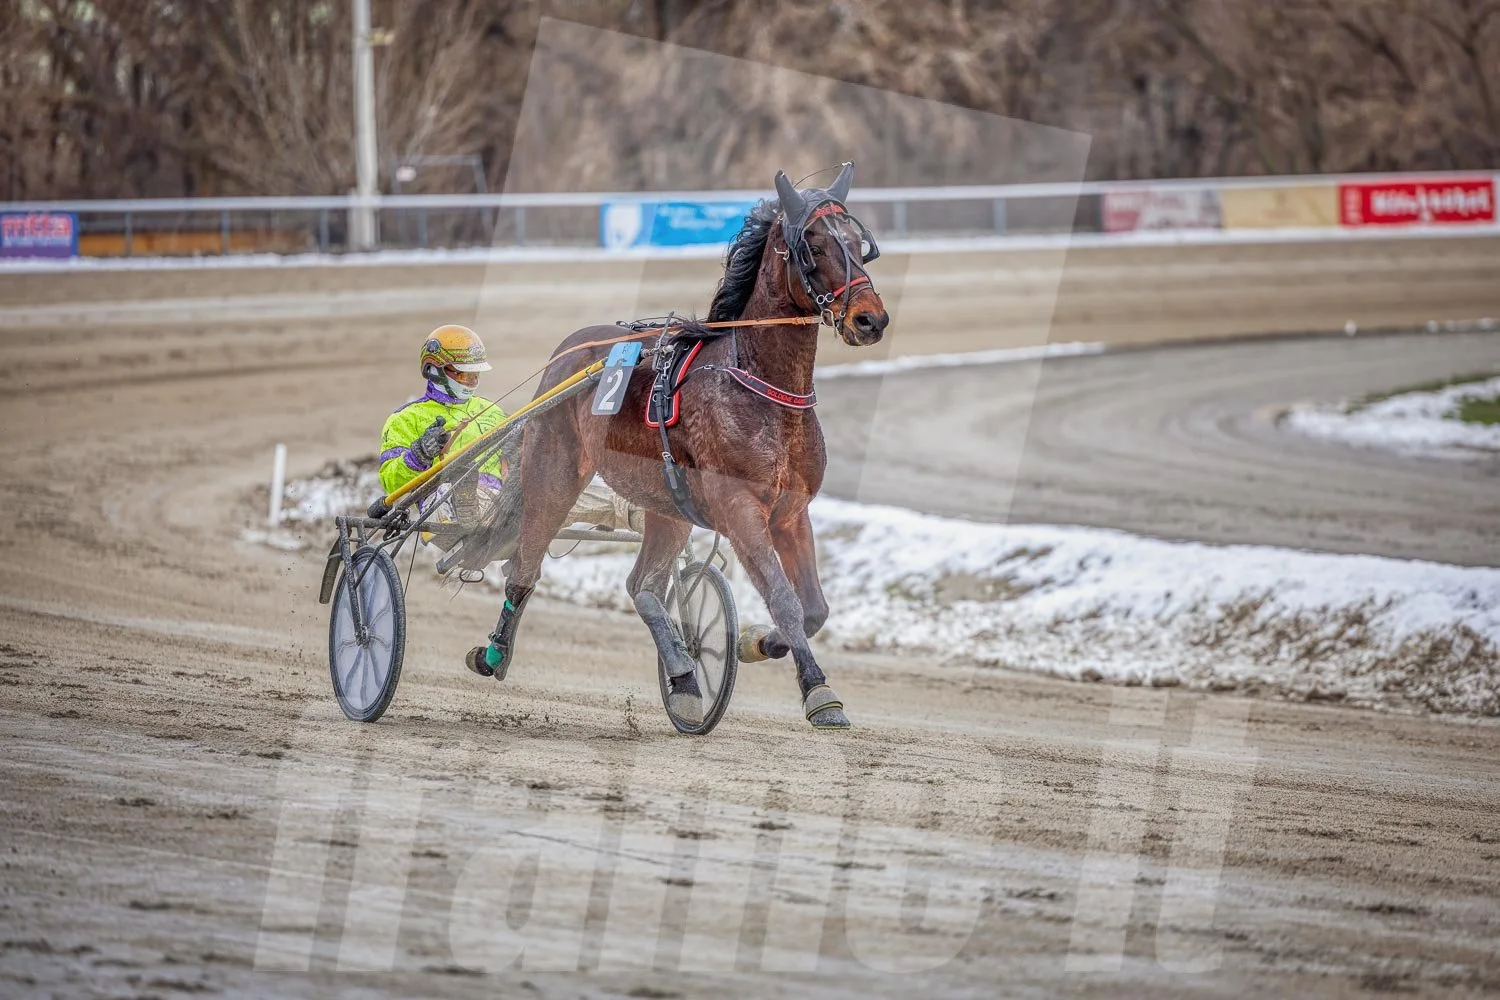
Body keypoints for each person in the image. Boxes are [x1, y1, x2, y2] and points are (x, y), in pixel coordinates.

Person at [379, 325, 508, 504]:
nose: (471, 381)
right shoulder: (406, 418)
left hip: (500, 499)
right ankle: (467, 504)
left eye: (475, 374)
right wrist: (419, 454)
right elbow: (390, 481)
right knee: (453, 492)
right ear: (434, 369)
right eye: (463, 374)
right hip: (441, 500)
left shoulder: (493, 410)